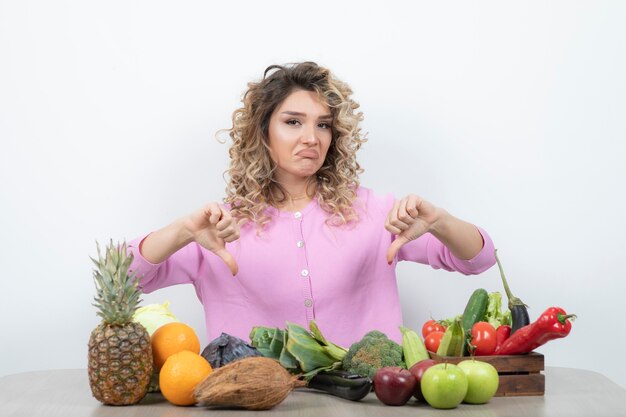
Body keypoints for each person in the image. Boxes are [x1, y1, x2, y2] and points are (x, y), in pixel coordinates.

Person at [128, 61, 496, 347]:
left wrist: (440, 222)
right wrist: (181, 232)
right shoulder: (217, 228)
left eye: (323, 125)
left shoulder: (375, 213)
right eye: (293, 122)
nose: (311, 138)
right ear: (263, 132)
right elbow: (122, 279)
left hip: (366, 403)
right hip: (254, 405)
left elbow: (479, 259)